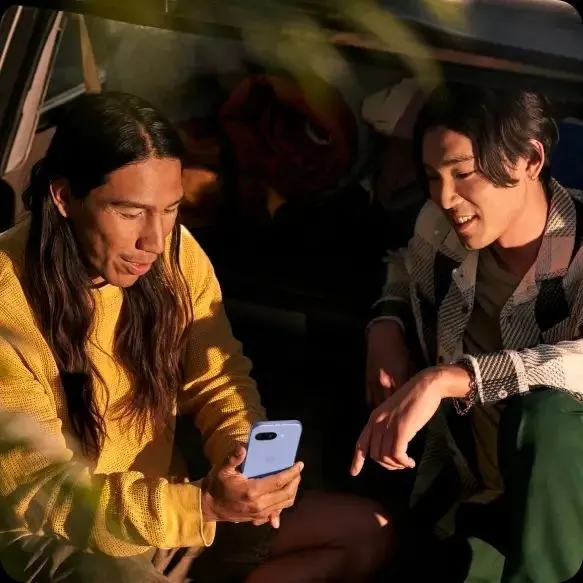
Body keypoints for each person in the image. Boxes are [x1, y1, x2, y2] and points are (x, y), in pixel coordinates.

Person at [0, 91, 391, 583]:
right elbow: (46, 491)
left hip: (170, 511)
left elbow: (218, 375)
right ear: (63, 197)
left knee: (366, 532)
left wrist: (244, 461)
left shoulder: (174, 252)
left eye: (170, 209)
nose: (154, 240)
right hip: (62, 536)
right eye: (130, 212)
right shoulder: (8, 300)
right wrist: (200, 505)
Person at [354, 83, 583, 582]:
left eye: (463, 174)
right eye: (433, 177)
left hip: (571, 514)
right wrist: (387, 321)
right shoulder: (439, 231)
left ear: (530, 159)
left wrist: (453, 378)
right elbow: (402, 266)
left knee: (547, 417)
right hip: (477, 499)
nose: (445, 197)